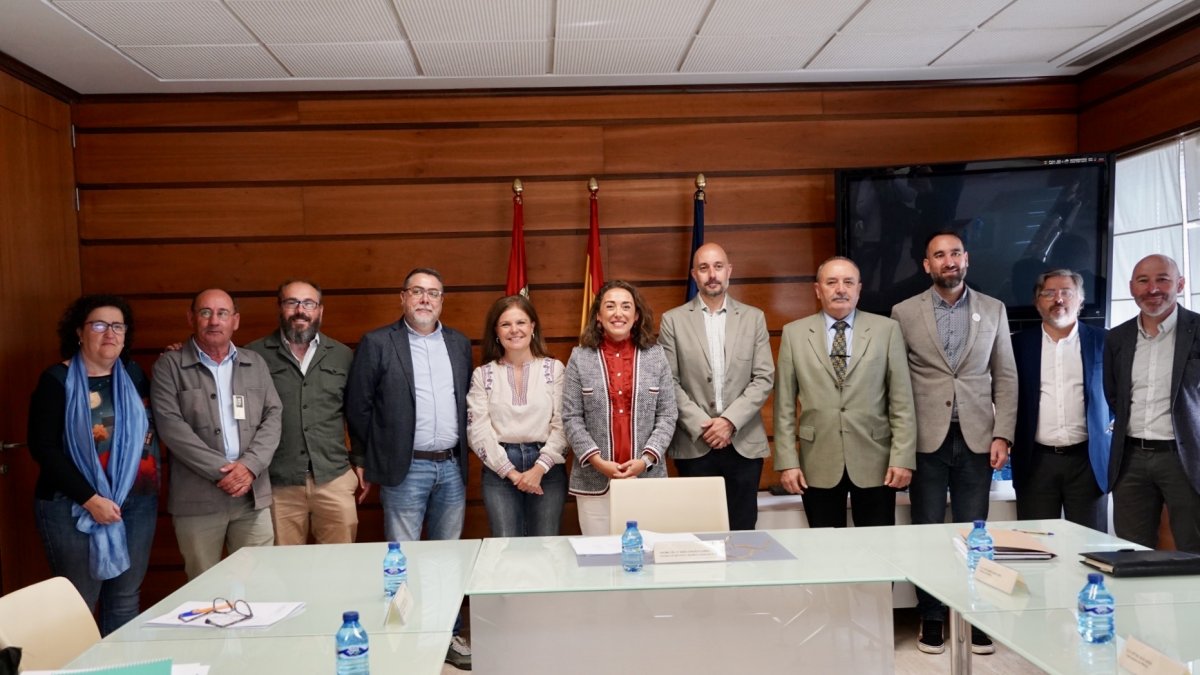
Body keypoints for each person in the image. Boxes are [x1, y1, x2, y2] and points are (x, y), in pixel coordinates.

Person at [891, 231, 1017, 656]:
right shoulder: (904, 313)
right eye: (939, 255)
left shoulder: (994, 309)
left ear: (967, 259)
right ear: (926, 265)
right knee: (926, 531)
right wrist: (901, 442)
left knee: (974, 533)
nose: (949, 261)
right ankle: (931, 615)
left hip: (979, 440)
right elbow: (897, 383)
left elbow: (1006, 376)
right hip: (926, 440)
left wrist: (1004, 433)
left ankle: (974, 613)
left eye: (956, 253)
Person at [344, 267, 472, 669]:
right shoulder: (378, 342)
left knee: (447, 562)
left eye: (433, 293)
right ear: (402, 297)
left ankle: (446, 636)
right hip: (405, 469)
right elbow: (358, 408)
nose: (424, 299)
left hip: (451, 467)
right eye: (417, 291)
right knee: (402, 563)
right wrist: (365, 458)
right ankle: (405, 640)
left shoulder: (459, 343)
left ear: (441, 301)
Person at [28, 295, 160, 636]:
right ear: (79, 332)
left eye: (117, 326)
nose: (109, 333)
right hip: (73, 506)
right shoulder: (56, 380)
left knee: (125, 600)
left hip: (137, 503)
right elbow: (43, 448)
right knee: (79, 606)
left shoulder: (133, 374)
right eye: (99, 325)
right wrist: (90, 499)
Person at [773, 256, 916, 528]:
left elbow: (902, 403)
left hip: (877, 462)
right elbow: (784, 408)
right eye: (832, 282)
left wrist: (902, 458)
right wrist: (788, 462)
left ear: (859, 289)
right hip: (817, 462)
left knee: (879, 550)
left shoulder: (887, 331)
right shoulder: (794, 334)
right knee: (826, 552)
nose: (841, 289)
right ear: (818, 290)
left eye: (848, 282)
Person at [151, 289, 282, 580]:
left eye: (222, 313)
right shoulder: (169, 366)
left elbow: (273, 416)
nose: (214, 321)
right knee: (203, 588)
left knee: (260, 584)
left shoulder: (254, 363)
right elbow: (171, 427)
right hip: (197, 500)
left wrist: (248, 467)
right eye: (205, 312)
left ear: (235, 320)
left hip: (252, 496)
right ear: (191, 318)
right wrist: (223, 472)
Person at [659, 243, 774, 530]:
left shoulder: (753, 317)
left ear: (729, 271)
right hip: (695, 444)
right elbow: (668, 381)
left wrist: (729, 422)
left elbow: (763, 378)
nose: (712, 274)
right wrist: (705, 425)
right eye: (704, 268)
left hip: (743, 443)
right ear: (694, 275)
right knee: (698, 532)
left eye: (718, 267)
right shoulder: (672, 320)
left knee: (743, 532)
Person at [245, 280, 364, 545]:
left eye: (309, 303)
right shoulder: (253, 355)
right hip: (278, 483)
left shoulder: (342, 355)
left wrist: (360, 460)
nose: (301, 310)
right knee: (282, 573)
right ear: (280, 308)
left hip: (332, 478)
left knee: (339, 568)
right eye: (292, 302)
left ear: (320, 310)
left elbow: (356, 413)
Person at [562, 280, 677, 536]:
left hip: (646, 478)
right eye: (610, 306)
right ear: (599, 316)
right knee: (600, 561)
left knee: (646, 560)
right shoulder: (580, 357)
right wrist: (598, 461)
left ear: (636, 316)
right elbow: (571, 418)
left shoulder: (655, 356)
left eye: (626, 306)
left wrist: (646, 460)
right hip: (595, 480)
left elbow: (668, 414)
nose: (618, 313)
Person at [1105, 254, 1200, 552]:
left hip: (1185, 458)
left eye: (1162, 279)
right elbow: (1114, 394)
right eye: (1143, 281)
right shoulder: (1117, 338)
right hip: (1130, 459)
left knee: (1193, 548)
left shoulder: (1197, 330)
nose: (1152, 289)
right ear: (1132, 287)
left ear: (1180, 284)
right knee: (1131, 552)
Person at [1012, 269, 1111, 532]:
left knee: (1091, 549)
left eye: (1067, 292)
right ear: (1037, 302)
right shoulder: (1018, 345)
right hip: (1036, 463)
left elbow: (1122, 393)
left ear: (1080, 300)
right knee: (1037, 548)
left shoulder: (1105, 341)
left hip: (1088, 462)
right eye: (1049, 293)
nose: (1058, 299)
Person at [467, 295, 568, 537]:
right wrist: (511, 473)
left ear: (533, 327)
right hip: (499, 468)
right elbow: (477, 430)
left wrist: (538, 469)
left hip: (547, 467)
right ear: (496, 331)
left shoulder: (554, 369)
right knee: (505, 547)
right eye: (505, 324)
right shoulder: (483, 375)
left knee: (546, 545)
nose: (514, 330)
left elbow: (564, 424)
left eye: (521, 322)